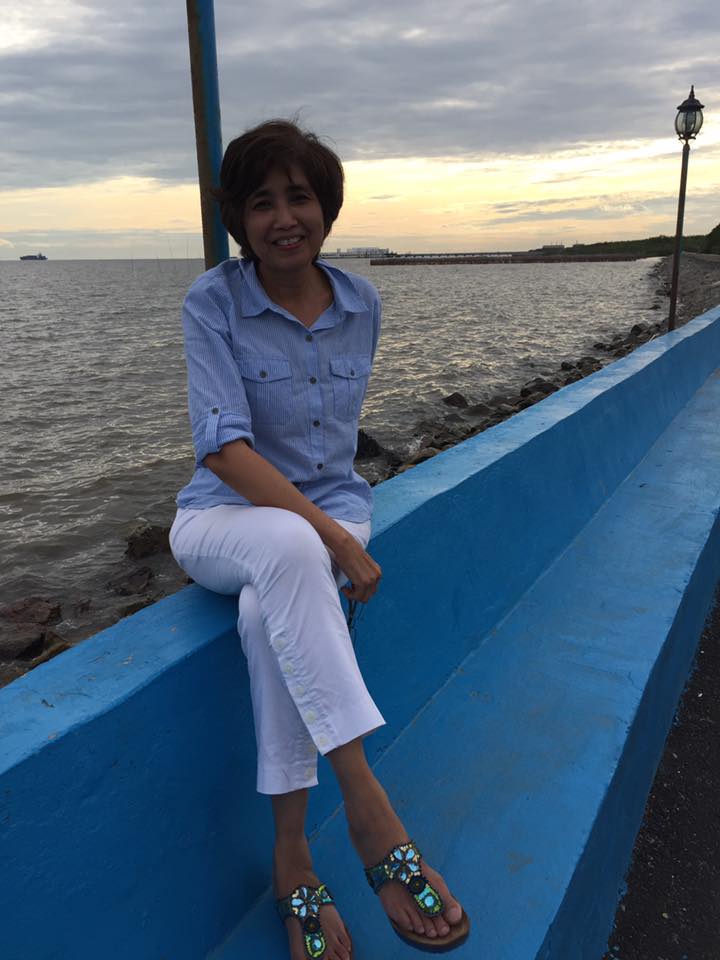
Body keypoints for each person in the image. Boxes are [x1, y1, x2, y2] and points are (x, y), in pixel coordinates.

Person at [169, 119, 469, 959]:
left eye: (298, 197)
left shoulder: (362, 303)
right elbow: (222, 450)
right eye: (260, 202)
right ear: (239, 219)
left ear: (327, 209)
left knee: (268, 612)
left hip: (333, 511)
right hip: (222, 518)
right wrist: (335, 542)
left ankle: (292, 856)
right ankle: (369, 808)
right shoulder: (212, 302)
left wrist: (329, 531)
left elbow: (333, 453)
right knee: (294, 549)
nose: (282, 218)